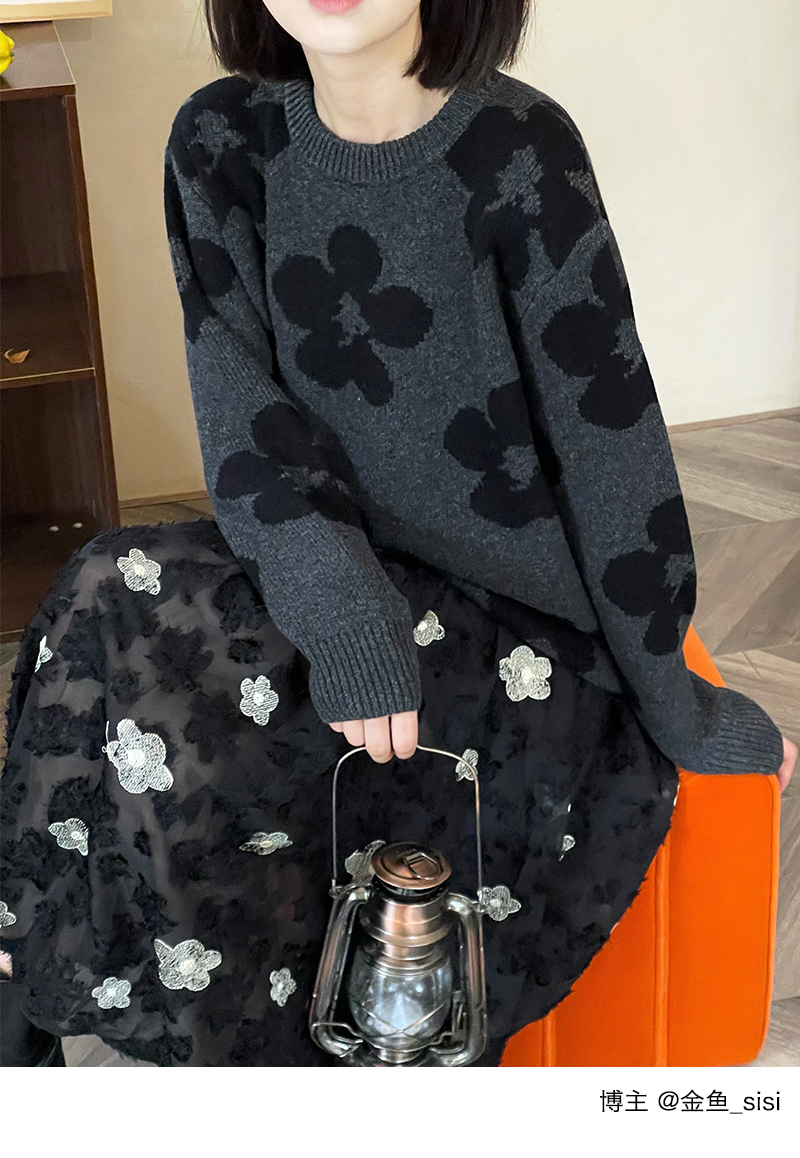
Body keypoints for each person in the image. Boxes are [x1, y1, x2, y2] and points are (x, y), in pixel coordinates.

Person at [0, 0, 795, 1069]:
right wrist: (345, 616)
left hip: (509, 633)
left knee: (187, 750)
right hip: (338, 576)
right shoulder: (221, 138)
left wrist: (679, 702)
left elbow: (610, 449)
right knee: (100, 589)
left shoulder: (521, 148)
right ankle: (28, 1012)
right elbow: (241, 422)